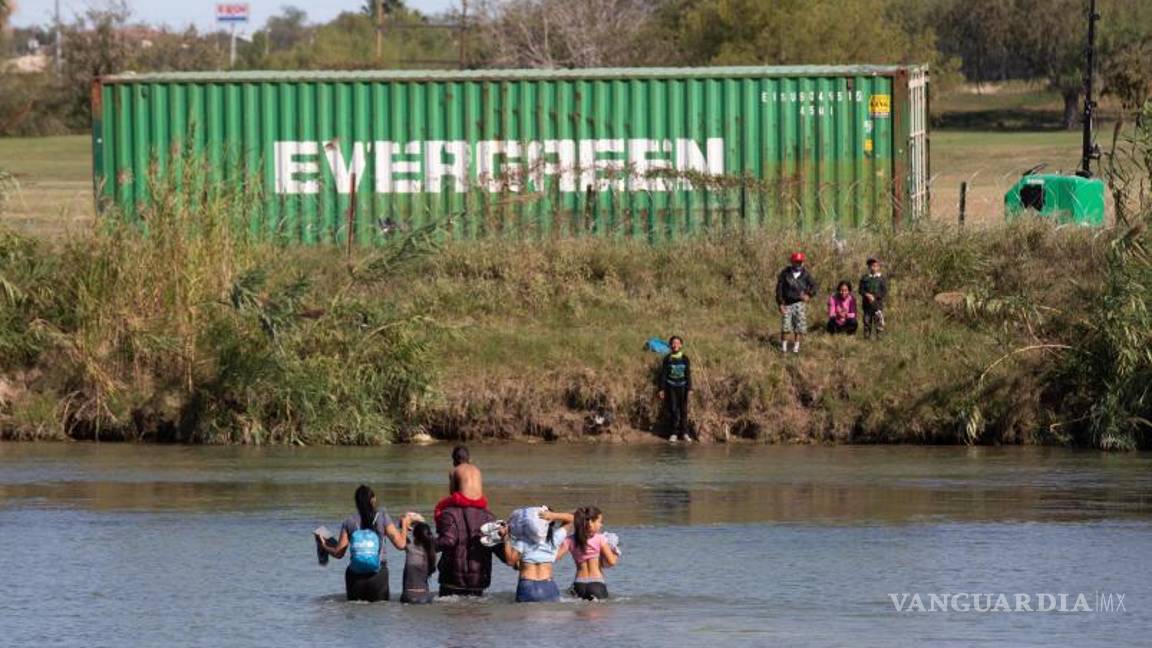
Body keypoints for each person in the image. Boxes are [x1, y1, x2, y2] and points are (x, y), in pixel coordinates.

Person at [316, 484, 411, 602]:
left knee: (355, 615)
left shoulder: (349, 521)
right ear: (373, 500)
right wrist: (404, 524)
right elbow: (401, 545)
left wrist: (324, 545)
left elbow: (338, 553)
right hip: (379, 576)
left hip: (354, 577)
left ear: (356, 502)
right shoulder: (383, 517)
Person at [500, 508, 573, 603]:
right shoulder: (554, 539)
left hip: (527, 586)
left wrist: (505, 538)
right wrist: (553, 516)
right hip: (548, 586)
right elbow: (572, 519)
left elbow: (510, 561)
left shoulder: (522, 541)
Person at [435, 490, 497, 597]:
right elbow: (499, 549)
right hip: (478, 582)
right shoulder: (489, 517)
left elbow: (447, 541)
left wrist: (423, 544)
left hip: (451, 581)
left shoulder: (448, 513)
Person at [562, 506, 620, 600]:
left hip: (579, 584)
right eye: (600, 521)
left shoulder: (570, 540)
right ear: (592, 523)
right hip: (596, 583)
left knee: (579, 613)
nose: (601, 524)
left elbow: (555, 557)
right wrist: (616, 551)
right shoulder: (600, 538)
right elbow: (611, 562)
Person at [775, 251, 817, 353]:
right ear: (792, 262)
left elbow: (814, 287)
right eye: (796, 262)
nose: (798, 264)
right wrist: (780, 303)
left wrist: (809, 295)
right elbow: (779, 289)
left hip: (799, 304)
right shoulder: (785, 273)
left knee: (799, 327)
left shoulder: (806, 274)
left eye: (800, 262)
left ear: (802, 262)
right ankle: (784, 349)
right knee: (785, 327)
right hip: (787, 303)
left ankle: (795, 349)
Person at [434, 445, 488, 521]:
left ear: (454, 461)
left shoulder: (455, 470)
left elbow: (452, 493)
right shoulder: (477, 470)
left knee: (439, 507)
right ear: (469, 459)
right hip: (480, 502)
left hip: (463, 501)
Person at [658, 335, 693, 442]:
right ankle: (673, 433)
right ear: (670, 345)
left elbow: (688, 374)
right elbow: (663, 375)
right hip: (671, 387)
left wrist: (690, 389)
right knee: (673, 410)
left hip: (683, 387)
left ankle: (685, 433)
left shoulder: (685, 358)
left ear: (681, 345)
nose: (675, 345)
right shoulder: (667, 359)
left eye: (677, 343)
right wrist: (662, 389)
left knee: (683, 410)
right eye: (673, 343)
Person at [400, 519, 437, 604]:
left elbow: (402, 538)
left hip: (408, 596)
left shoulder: (409, 548)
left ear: (414, 535)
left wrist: (405, 525)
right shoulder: (431, 552)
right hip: (425, 597)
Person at [859, 257, 888, 339]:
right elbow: (860, 290)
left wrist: (875, 297)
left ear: (878, 267)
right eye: (872, 266)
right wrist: (867, 295)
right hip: (867, 305)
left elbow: (884, 291)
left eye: (876, 266)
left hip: (877, 305)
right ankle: (866, 338)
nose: (874, 268)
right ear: (868, 267)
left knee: (878, 321)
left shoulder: (881, 278)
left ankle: (879, 337)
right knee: (867, 321)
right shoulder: (864, 278)